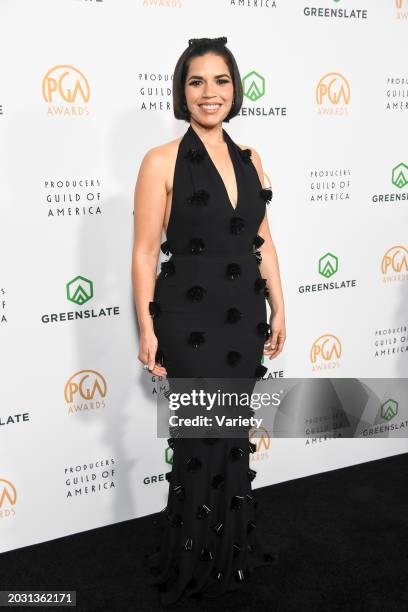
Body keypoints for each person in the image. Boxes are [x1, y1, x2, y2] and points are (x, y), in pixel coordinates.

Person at [132, 36, 286, 606]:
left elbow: (262, 240)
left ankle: (232, 550)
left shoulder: (251, 160)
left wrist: (280, 303)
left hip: (244, 313)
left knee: (234, 436)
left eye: (220, 81)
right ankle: (192, 557)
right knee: (200, 437)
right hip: (188, 317)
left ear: (234, 88)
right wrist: (148, 328)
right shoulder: (160, 161)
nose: (209, 93)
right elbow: (146, 251)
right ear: (182, 91)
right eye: (196, 81)